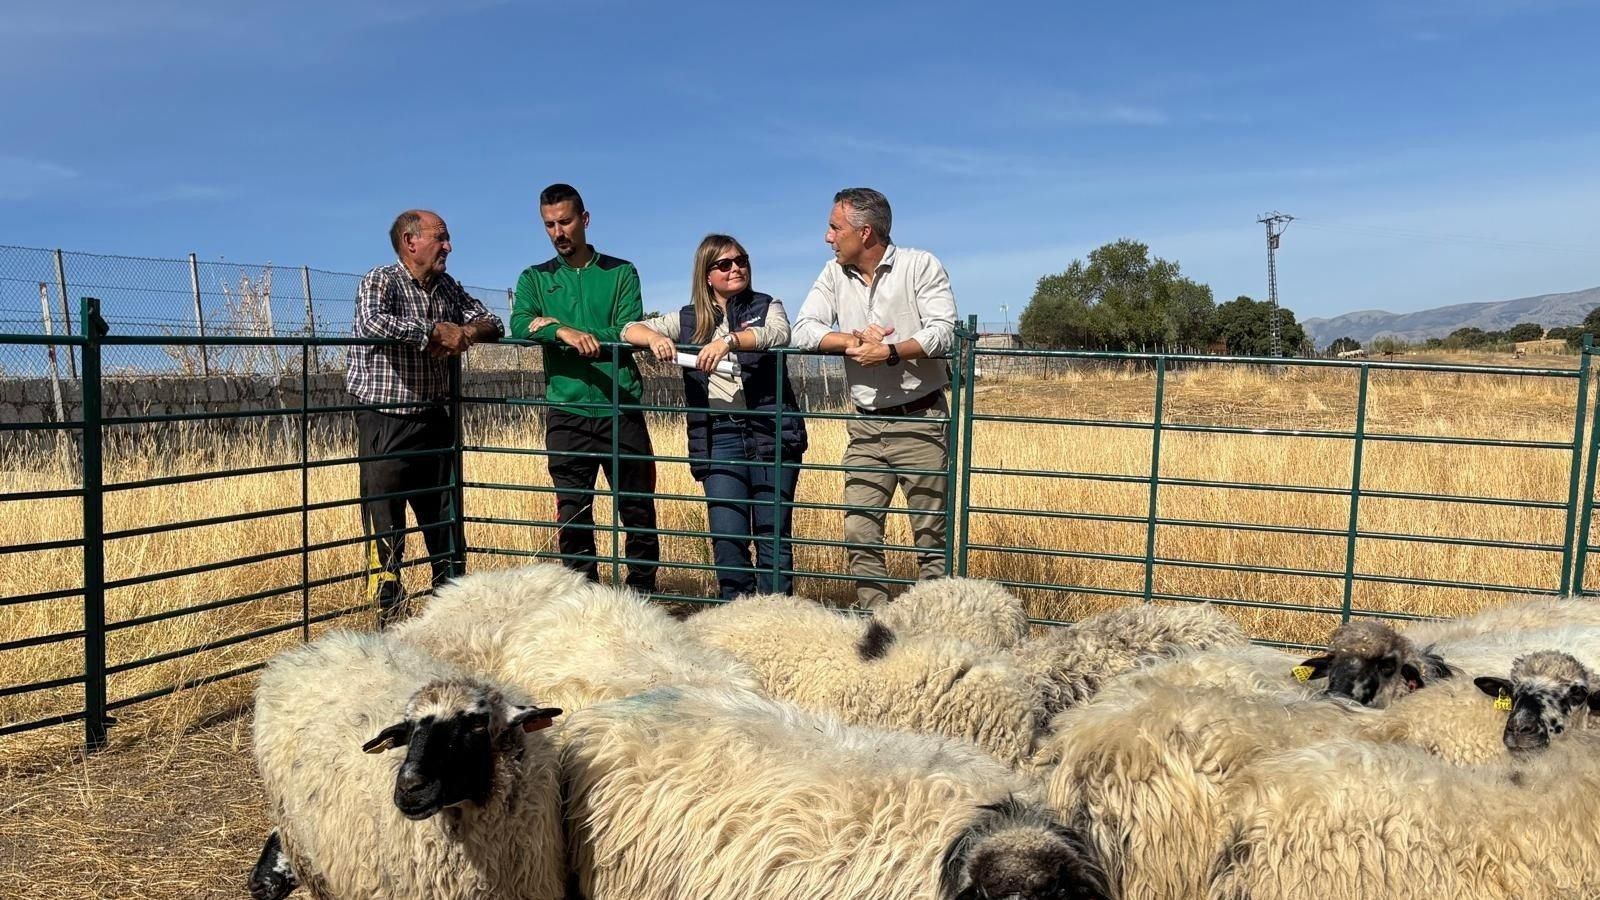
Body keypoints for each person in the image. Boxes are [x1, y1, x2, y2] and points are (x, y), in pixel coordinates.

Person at [791, 187, 958, 610]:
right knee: (859, 532)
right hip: (864, 424)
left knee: (931, 537)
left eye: (835, 227)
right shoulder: (832, 274)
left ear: (864, 232)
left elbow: (944, 331)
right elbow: (803, 329)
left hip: (921, 420)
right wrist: (852, 342)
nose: (828, 237)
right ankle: (876, 624)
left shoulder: (920, 265)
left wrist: (890, 352)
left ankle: (932, 626)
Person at [622, 235, 808, 600]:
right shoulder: (688, 318)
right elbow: (628, 329)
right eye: (724, 264)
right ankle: (736, 618)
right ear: (707, 275)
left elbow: (779, 333)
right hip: (719, 437)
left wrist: (729, 341)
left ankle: (777, 620)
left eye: (741, 260)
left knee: (773, 537)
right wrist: (654, 339)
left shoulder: (767, 305)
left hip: (770, 430)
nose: (736, 268)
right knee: (728, 539)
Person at [346, 209, 504, 624]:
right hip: (385, 419)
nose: (448, 246)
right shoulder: (381, 280)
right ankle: (389, 614)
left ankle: (447, 616)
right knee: (384, 523)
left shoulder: (447, 286)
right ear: (410, 241)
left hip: (434, 419)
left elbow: (493, 321)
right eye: (441, 237)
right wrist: (433, 332)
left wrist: (466, 332)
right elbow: (371, 323)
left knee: (444, 521)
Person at [510, 184, 659, 591]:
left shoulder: (621, 272)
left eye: (565, 221)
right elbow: (519, 323)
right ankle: (583, 599)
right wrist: (562, 331)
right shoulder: (534, 278)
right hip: (567, 411)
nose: (558, 232)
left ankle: (642, 594)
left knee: (637, 507)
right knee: (572, 513)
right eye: (549, 225)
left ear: (585, 220)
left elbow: (627, 329)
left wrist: (566, 332)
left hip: (620, 407)